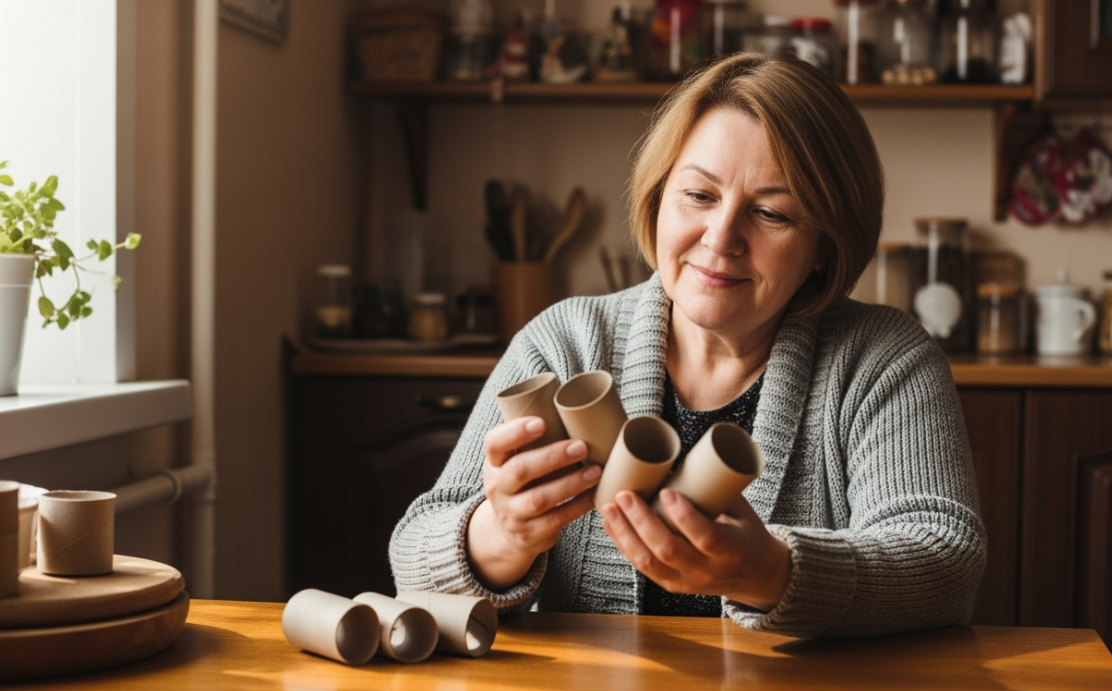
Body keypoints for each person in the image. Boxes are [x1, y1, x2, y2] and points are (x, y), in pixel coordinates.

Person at [390, 52, 985, 638]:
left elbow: (946, 561)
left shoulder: (883, 359)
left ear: (825, 247)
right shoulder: (564, 343)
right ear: (658, 199)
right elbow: (412, 560)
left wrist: (772, 571)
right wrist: (502, 535)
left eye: (772, 213)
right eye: (699, 197)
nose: (722, 238)